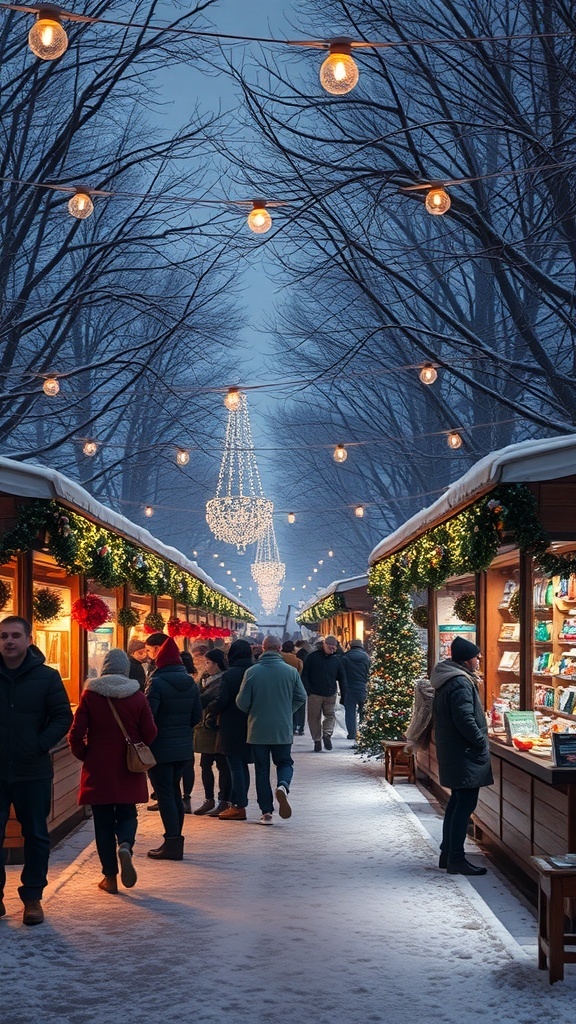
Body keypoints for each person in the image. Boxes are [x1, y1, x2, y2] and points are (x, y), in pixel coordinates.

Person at [0, 615, 72, 925]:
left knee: (36, 836)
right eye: (3, 636)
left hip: (33, 771)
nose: (9, 641)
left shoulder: (47, 677)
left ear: (29, 639)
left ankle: (32, 898)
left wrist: (38, 744)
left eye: (15, 635)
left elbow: (61, 717)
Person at [68, 648, 157, 894]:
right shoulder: (138, 696)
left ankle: (110, 877)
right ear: (126, 670)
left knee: (103, 822)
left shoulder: (90, 695)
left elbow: (75, 733)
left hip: (99, 766)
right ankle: (126, 844)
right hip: (129, 765)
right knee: (128, 812)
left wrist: (85, 755)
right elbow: (150, 733)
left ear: (105, 667)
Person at [430, 636, 492, 876]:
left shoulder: (449, 678)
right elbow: (464, 718)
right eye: (477, 657)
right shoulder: (460, 683)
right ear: (467, 660)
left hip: (455, 751)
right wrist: (480, 742)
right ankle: (456, 858)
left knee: (457, 804)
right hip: (464, 753)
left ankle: (448, 854)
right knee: (464, 805)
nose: (478, 661)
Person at [236, 635, 306, 825]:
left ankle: (266, 812)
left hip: (257, 729)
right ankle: (283, 785)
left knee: (261, 769)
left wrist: (254, 710)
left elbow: (241, 703)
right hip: (282, 728)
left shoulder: (252, 672)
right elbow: (301, 697)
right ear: (280, 648)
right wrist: (286, 711)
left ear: (263, 648)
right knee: (284, 762)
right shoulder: (291, 672)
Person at [144, 633, 202, 860]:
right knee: (174, 793)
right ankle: (175, 841)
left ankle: (172, 842)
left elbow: (149, 717)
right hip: (183, 748)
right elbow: (196, 715)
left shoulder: (156, 682)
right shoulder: (189, 681)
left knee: (165, 793)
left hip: (161, 748)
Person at [209, 639, 254, 820]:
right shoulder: (253, 672)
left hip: (230, 724)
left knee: (235, 765)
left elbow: (221, 700)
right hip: (249, 723)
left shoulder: (230, 675)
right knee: (242, 765)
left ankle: (238, 806)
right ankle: (240, 802)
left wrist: (211, 710)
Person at [193, 649, 232, 817]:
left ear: (217, 664)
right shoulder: (201, 680)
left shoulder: (224, 680)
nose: (206, 666)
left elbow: (219, 701)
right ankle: (208, 800)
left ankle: (224, 800)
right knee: (205, 764)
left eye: (208, 663)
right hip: (203, 727)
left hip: (217, 727)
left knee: (223, 765)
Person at [301, 634, 347, 751]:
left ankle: (327, 735)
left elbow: (342, 677)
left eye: (334, 648)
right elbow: (305, 675)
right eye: (330, 647)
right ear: (324, 644)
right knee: (313, 718)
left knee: (330, 715)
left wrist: (343, 695)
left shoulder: (336, 659)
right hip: (314, 693)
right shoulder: (312, 657)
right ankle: (317, 740)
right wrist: (307, 690)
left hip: (330, 693)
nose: (332, 650)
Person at [179, 650, 197, 813]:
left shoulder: (159, 680)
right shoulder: (193, 680)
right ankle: (186, 798)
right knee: (187, 765)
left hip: (166, 733)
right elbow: (197, 712)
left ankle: (172, 798)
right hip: (186, 731)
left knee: (170, 766)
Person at [342, 639, 371, 740]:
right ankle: (362, 733)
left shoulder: (345, 657)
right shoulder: (367, 658)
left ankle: (352, 733)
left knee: (350, 712)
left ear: (351, 646)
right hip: (363, 687)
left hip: (349, 688)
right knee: (363, 711)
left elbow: (342, 673)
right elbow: (369, 672)